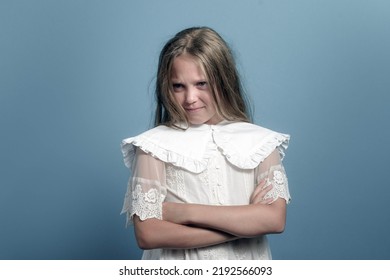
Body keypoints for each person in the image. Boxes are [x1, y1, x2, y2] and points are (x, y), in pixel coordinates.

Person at [121, 26, 291, 260]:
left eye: (202, 84)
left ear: (224, 80)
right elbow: (148, 234)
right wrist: (243, 225)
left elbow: (274, 219)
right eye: (178, 86)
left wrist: (184, 212)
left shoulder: (261, 143)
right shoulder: (153, 146)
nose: (190, 98)